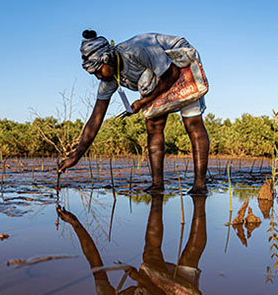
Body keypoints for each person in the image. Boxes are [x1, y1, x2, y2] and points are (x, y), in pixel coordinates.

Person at [57, 30, 210, 194]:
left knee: (192, 122)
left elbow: (171, 73)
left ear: (106, 59)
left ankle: (199, 184)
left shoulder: (137, 49)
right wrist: (76, 156)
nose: (98, 76)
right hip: (158, 76)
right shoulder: (110, 79)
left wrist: (142, 102)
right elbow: (96, 119)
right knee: (153, 125)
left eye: (98, 71)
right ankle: (157, 184)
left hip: (178, 62)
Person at [56, 193, 207, 295]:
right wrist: (141, 279)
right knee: (189, 257)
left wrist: (75, 224)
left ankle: (157, 197)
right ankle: (200, 202)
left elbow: (94, 260)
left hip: (153, 289)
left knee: (150, 253)